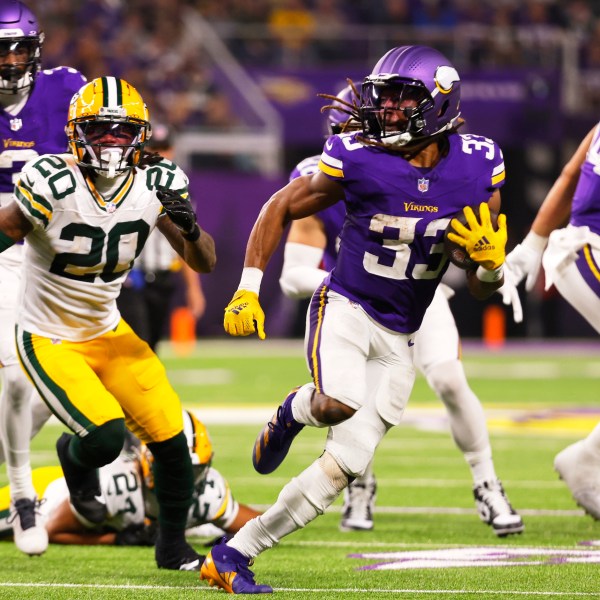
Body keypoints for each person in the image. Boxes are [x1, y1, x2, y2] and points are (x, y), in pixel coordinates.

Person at [201, 45, 511, 594]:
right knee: (337, 401)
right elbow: (280, 206)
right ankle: (294, 410)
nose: (386, 111)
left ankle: (232, 554)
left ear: (440, 104)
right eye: (382, 98)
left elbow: (481, 284)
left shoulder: (479, 165)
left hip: (404, 330)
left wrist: (490, 267)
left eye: (401, 100)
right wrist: (248, 287)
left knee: (343, 467)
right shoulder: (356, 155)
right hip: (345, 303)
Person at [279, 84, 523, 537]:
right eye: (360, 130)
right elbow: (293, 275)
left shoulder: (436, 167)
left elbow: (470, 253)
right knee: (351, 401)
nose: (379, 136)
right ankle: (359, 484)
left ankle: (488, 484)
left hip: (419, 298)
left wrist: (487, 266)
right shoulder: (326, 173)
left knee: (449, 378)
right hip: (353, 302)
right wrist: (349, 294)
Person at [0, 75, 217, 571]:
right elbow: (6, 231)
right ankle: (73, 461)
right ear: (77, 134)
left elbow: (202, 261)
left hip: (109, 330)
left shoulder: (157, 182)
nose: (112, 143)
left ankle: (171, 547)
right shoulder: (52, 179)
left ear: (140, 135)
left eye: (122, 132)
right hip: (49, 334)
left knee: (170, 437)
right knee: (102, 438)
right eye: (100, 131)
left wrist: (189, 225)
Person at [0, 0, 87, 556]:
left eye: (18, 49)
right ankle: (24, 494)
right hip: (6, 253)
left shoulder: (68, 90)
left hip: (62, 256)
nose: (9, 62)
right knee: (12, 379)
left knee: (70, 385)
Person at [504, 123, 600, 519]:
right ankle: (588, 460)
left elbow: (569, 174)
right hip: (587, 250)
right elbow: (573, 176)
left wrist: (531, 245)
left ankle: (588, 459)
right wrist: (531, 247)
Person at [0, 410, 261, 546]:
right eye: (174, 469)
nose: (181, 479)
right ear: (147, 464)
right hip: (50, 494)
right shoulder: (118, 485)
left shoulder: (206, 492)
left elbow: (256, 524)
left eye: (191, 472)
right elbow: (50, 531)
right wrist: (115, 539)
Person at [117, 123, 206, 351]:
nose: (159, 155)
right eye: (153, 148)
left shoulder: (180, 188)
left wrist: (193, 288)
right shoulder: (124, 182)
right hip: (130, 278)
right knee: (138, 347)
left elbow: (187, 240)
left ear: (173, 150)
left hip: (162, 278)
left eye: (164, 148)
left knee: (152, 346)